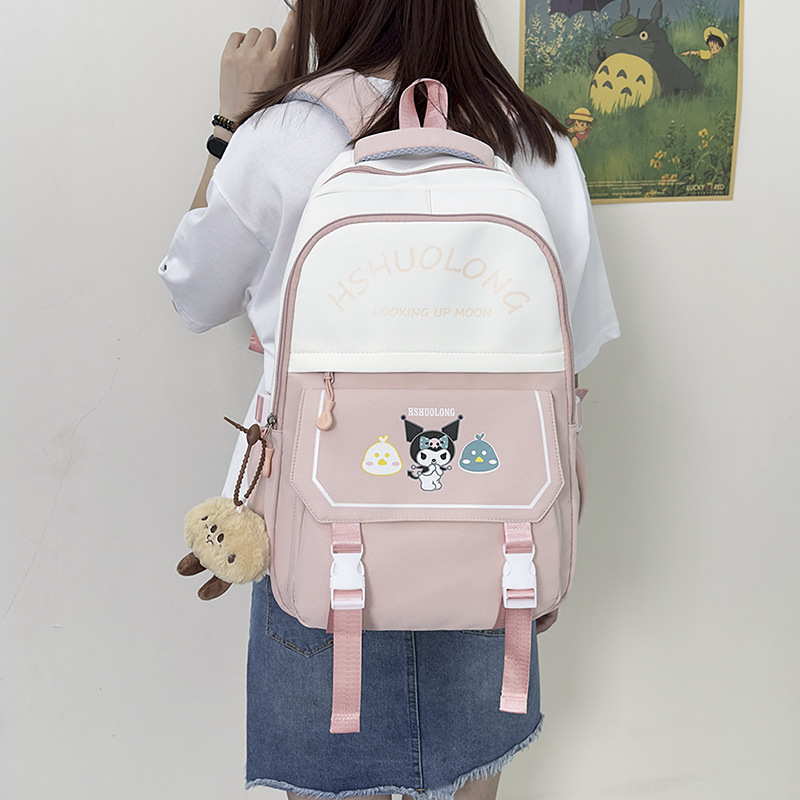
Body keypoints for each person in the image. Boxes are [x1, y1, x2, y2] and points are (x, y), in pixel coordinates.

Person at [160, 1, 619, 798]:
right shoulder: (534, 143)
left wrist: (230, 121)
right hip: (496, 539)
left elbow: (192, 294)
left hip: (315, 523)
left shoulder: (280, 137)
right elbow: (570, 350)